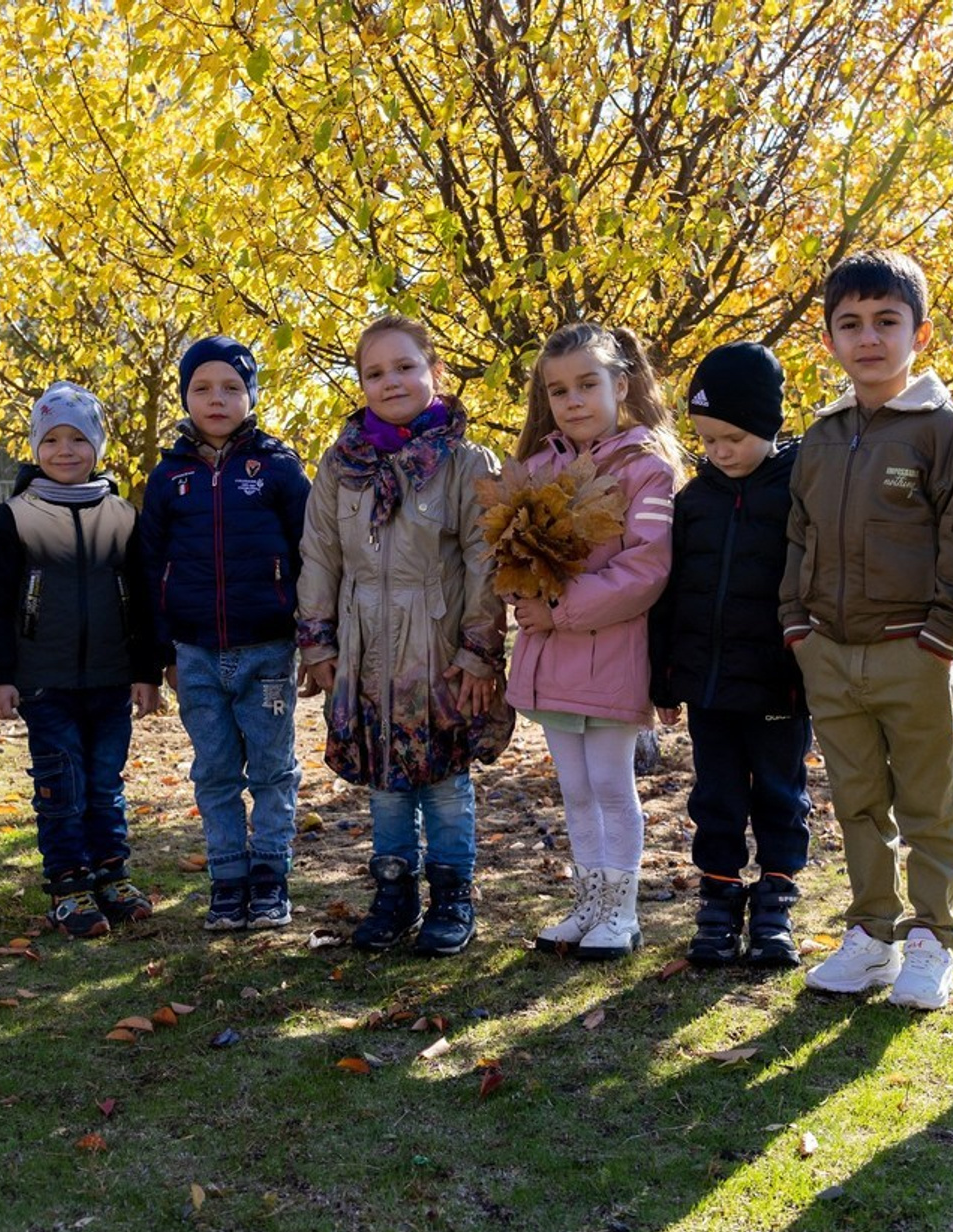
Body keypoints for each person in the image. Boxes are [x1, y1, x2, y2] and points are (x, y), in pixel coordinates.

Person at [780, 250, 953, 1009]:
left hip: (912, 651)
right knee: (857, 799)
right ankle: (871, 934)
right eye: (851, 324)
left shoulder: (941, 430)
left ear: (919, 334)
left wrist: (941, 636)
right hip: (829, 652)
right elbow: (798, 534)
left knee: (928, 800)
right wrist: (796, 626)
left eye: (886, 322)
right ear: (830, 339)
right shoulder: (822, 435)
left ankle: (932, 938)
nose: (869, 338)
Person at [296, 314, 513, 956]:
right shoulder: (341, 465)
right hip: (365, 648)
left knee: (444, 782)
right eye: (374, 372)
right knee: (386, 783)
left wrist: (479, 651)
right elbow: (320, 554)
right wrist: (318, 641)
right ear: (361, 383)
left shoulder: (466, 462)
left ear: (434, 372)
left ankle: (451, 895)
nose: (390, 380)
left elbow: (485, 561)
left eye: (405, 366)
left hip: (439, 649)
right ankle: (394, 892)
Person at [508, 322, 679, 960]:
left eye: (587, 384)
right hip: (552, 661)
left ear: (620, 386)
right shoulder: (534, 469)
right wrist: (520, 593)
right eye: (559, 391)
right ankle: (588, 903)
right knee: (575, 790)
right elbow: (509, 554)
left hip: (612, 658)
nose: (573, 400)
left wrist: (558, 608)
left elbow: (646, 570)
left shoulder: (646, 471)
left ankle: (621, 912)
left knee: (611, 785)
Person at [0, 381, 162, 938]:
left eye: (78, 439)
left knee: (105, 783)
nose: (65, 451)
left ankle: (112, 875)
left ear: (97, 448)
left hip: (110, 679)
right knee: (61, 785)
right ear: (36, 447)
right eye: (52, 439)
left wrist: (146, 671)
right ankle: (68, 884)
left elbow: (144, 600)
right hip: (43, 680)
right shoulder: (17, 517)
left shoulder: (122, 516)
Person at [139, 338, 310, 931]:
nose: (218, 399)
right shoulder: (168, 477)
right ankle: (228, 878)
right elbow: (149, 568)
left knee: (272, 769)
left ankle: (269, 876)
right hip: (195, 656)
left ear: (252, 395)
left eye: (232, 388)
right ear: (185, 397)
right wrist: (160, 654)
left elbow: (312, 555)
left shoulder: (279, 468)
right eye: (203, 388)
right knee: (213, 772)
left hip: (268, 651)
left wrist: (315, 637)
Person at [650, 342, 811, 968]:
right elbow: (670, 597)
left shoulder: (798, 494)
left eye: (735, 438)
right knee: (715, 795)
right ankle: (719, 898)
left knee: (779, 793)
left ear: (768, 425)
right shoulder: (693, 503)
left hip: (778, 687)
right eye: (708, 439)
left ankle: (775, 901)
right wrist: (664, 678)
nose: (720, 451)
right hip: (709, 686)